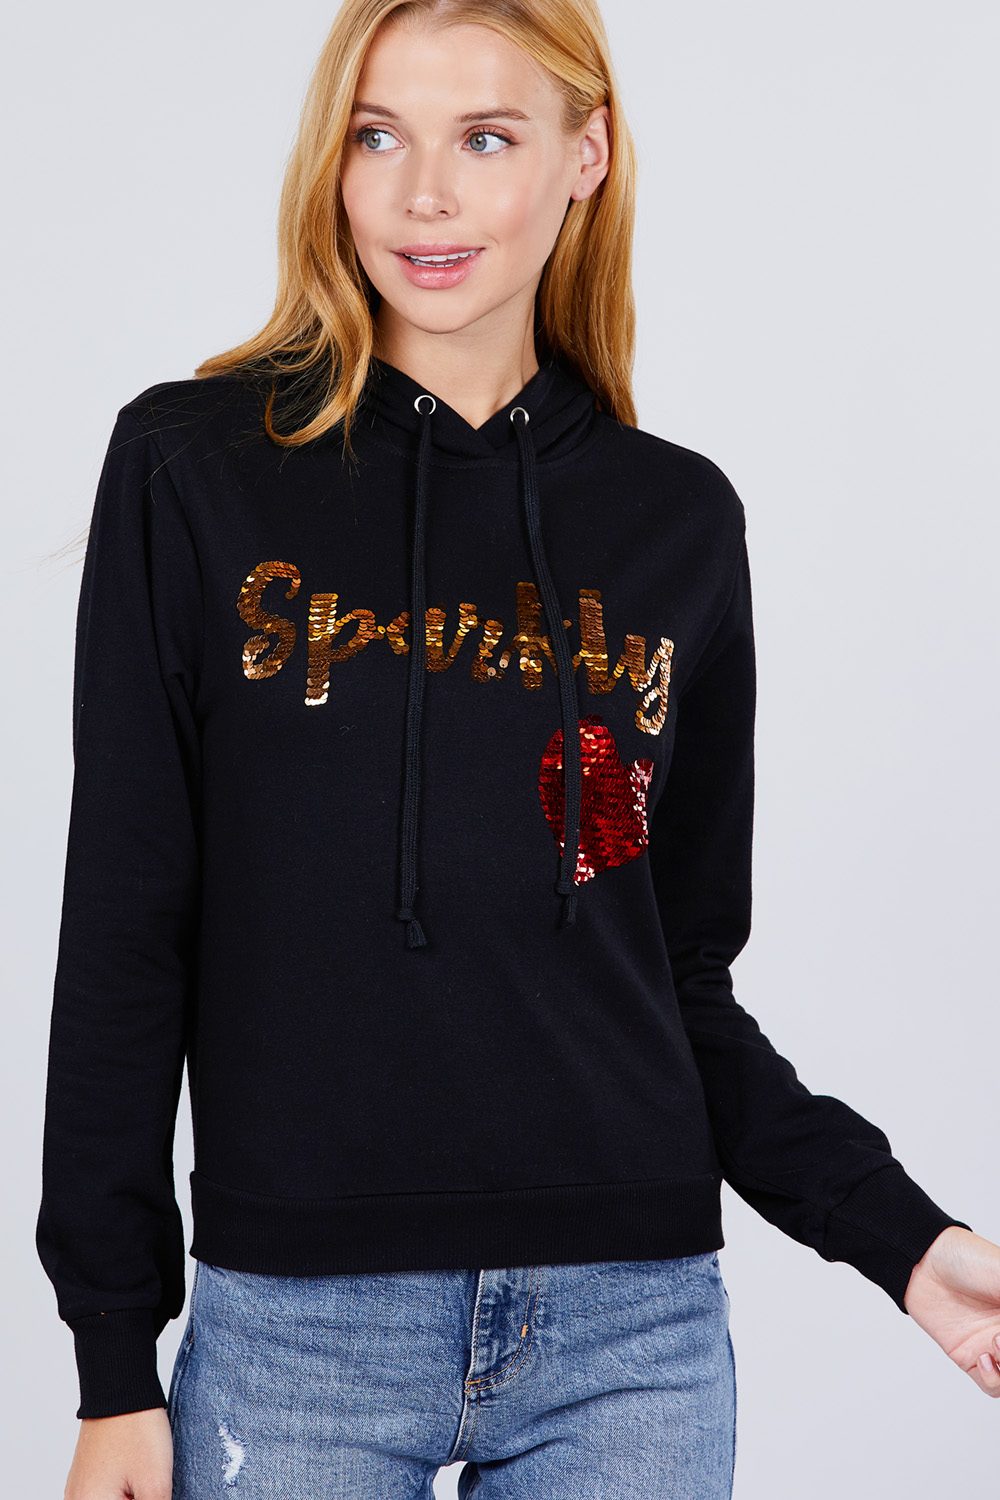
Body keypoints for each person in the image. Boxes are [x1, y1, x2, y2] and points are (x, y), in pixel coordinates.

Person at [36, 1, 1000, 1496]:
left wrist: (903, 1239)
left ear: (584, 155)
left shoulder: (677, 522)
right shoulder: (196, 469)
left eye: (485, 138)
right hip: (298, 1339)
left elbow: (676, 979)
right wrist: (113, 1362)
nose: (423, 194)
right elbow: (124, 929)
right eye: (378, 137)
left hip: (631, 1334)